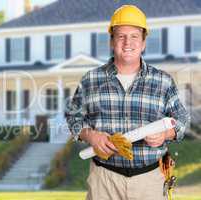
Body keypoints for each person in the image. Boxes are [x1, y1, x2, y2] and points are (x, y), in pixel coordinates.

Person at [65, 4, 189, 200]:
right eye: (121, 36)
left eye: (134, 36)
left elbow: (182, 119)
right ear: (112, 41)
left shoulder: (163, 81)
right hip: (103, 180)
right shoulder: (91, 80)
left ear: (143, 42)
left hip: (149, 180)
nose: (127, 42)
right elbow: (73, 116)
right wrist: (90, 136)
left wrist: (166, 133)